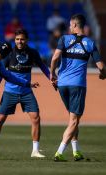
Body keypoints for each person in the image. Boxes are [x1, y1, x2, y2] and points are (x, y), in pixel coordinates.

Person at [0, 29, 50, 158]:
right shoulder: (9, 54)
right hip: (10, 92)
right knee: (0, 119)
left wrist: (51, 78)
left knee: (36, 117)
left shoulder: (33, 53)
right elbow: (1, 72)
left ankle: (35, 150)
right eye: (17, 39)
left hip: (26, 92)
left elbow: (43, 67)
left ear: (27, 40)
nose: (19, 41)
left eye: (22, 39)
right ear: (14, 40)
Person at [50, 14, 106, 161]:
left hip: (62, 85)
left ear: (74, 25)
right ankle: (59, 152)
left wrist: (52, 75)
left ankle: (76, 151)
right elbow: (101, 66)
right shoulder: (89, 43)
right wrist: (103, 74)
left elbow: (55, 58)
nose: (69, 27)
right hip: (77, 85)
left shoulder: (64, 39)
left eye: (70, 24)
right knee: (74, 120)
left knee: (72, 119)